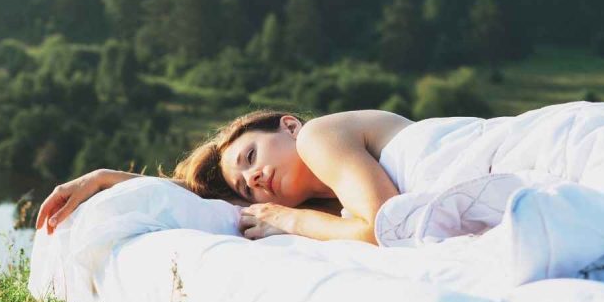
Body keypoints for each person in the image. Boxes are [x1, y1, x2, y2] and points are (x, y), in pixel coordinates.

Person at [35, 108, 413, 244]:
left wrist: (292, 219)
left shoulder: (318, 135)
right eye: (246, 188)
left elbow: (382, 228)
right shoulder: (336, 209)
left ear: (289, 125)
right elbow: (202, 199)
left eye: (251, 155)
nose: (256, 179)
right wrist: (103, 177)